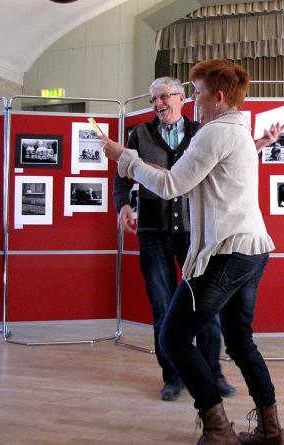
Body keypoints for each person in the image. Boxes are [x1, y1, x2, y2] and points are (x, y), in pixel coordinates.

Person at [104, 60, 284, 445]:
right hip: (251, 251)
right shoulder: (237, 130)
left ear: (217, 97)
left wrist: (125, 157)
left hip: (227, 254)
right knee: (239, 341)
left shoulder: (212, 133)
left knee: (172, 337)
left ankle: (219, 431)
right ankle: (271, 431)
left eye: (198, 92)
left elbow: (170, 185)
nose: (195, 99)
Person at [113, 76, 235, 402]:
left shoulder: (201, 133)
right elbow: (122, 176)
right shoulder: (138, 134)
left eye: (164, 97)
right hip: (152, 233)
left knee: (205, 306)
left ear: (181, 98)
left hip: (195, 234)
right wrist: (123, 205)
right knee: (162, 308)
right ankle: (173, 377)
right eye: (153, 99)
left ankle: (210, 375)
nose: (158, 104)